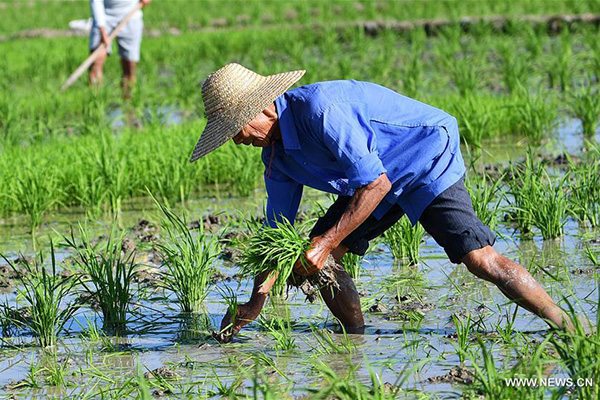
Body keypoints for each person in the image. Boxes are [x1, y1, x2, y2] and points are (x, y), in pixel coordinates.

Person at [190, 63, 576, 342]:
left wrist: (323, 243)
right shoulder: (277, 158)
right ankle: (354, 342)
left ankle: (568, 327)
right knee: (324, 261)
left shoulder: (322, 110)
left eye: (236, 130)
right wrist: (255, 302)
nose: (237, 141)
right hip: (374, 178)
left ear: (263, 109)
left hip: (424, 154)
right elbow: (278, 233)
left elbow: (375, 183)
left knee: (479, 259)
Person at [89, 0, 151, 97]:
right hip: (105, 16)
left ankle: (128, 103)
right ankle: (95, 101)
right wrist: (102, 30)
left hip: (131, 15)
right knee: (96, 62)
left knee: (130, 65)